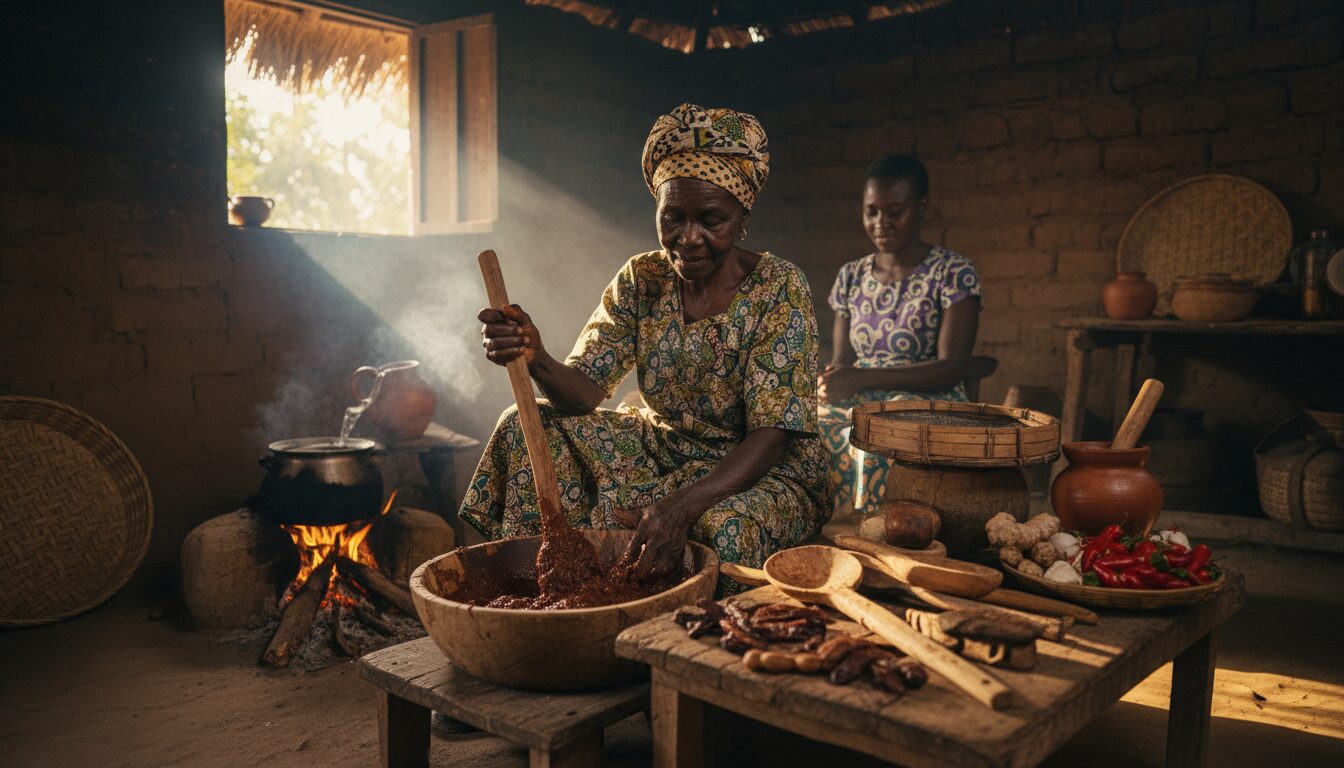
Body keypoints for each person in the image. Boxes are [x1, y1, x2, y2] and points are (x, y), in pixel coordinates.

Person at [461, 103, 830, 587]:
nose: (688, 238)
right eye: (672, 217)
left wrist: (678, 507)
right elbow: (585, 393)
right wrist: (536, 357)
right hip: (667, 451)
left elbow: (773, 434)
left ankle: (692, 638)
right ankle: (551, 585)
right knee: (520, 425)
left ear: (742, 219)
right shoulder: (643, 277)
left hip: (759, 469)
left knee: (719, 527)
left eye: (711, 220)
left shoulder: (779, 286)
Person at [818, 154, 981, 517]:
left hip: (928, 397)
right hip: (861, 396)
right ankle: (822, 533)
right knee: (805, 430)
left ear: (922, 208)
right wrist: (833, 380)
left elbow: (951, 367)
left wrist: (860, 377)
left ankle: (879, 534)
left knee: (881, 437)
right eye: (872, 211)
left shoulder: (953, 273)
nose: (881, 223)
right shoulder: (851, 276)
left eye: (895, 211)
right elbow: (842, 361)